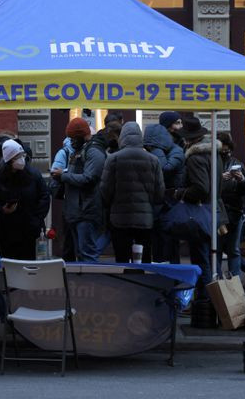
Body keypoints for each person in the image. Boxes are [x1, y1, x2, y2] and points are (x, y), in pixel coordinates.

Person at [98, 121, 165, 263]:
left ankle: (124, 285)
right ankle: (142, 284)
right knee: (143, 259)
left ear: (122, 137)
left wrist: (111, 205)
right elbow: (160, 193)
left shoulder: (113, 159)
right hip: (145, 219)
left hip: (119, 219)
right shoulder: (153, 160)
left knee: (122, 259)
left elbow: (105, 190)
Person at [178, 117, 229, 286]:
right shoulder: (214, 154)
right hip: (215, 211)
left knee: (201, 261)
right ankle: (213, 301)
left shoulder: (195, 157)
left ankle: (204, 301)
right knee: (211, 259)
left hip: (201, 214)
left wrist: (181, 193)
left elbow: (201, 188)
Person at [51, 117, 108, 262]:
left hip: (86, 212)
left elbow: (88, 178)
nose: (71, 141)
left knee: (88, 253)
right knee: (81, 253)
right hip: (77, 211)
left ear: (82, 135)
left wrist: (63, 176)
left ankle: (92, 283)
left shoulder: (94, 152)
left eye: (73, 138)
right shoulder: (81, 150)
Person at [0, 140, 50, 260]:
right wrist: (2, 210)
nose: (22, 159)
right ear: (9, 160)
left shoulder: (33, 174)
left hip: (31, 231)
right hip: (6, 233)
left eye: (22, 156)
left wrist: (36, 218)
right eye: (18, 157)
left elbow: (44, 196)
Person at [215, 132, 245, 286]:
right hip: (219, 212)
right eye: (222, 150)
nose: (225, 152)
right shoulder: (213, 162)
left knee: (233, 250)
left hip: (234, 212)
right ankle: (218, 285)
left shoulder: (235, 163)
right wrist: (220, 178)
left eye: (227, 149)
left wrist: (242, 180)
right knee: (218, 250)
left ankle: (234, 285)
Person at [144, 121, 186, 263]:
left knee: (169, 247)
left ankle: (174, 280)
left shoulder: (176, 151)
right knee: (159, 246)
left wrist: (156, 150)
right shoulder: (168, 151)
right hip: (161, 205)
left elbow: (164, 169)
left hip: (170, 205)